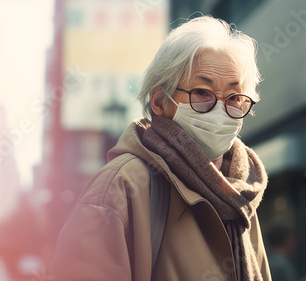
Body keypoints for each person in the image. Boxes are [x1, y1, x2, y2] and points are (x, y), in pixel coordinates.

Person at [50, 16, 271, 281]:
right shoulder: (121, 188)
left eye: (234, 98)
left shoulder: (240, 197)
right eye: (202, 92)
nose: (220, 110)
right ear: (159, 101)